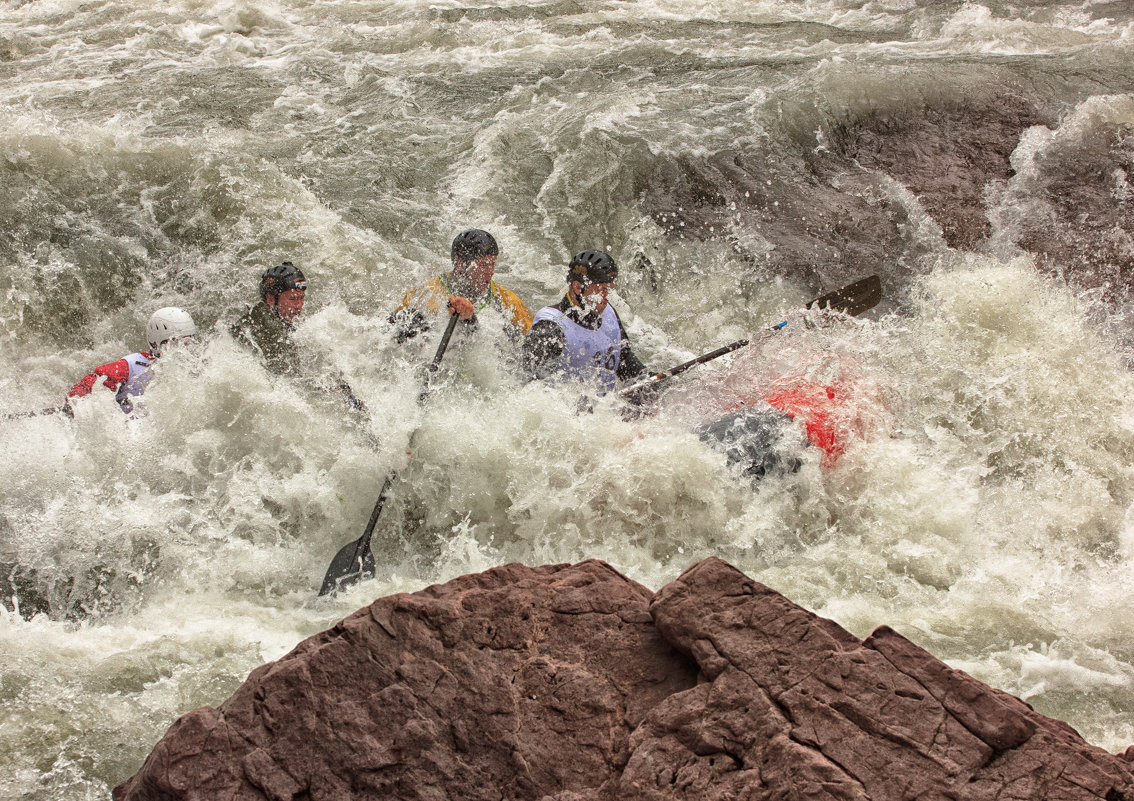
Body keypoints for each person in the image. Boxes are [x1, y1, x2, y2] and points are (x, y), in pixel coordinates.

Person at [230, 261, 365, 411]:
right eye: (293, 299)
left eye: (302, 298)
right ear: (270, 299)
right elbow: (288, 379)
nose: (299, 306)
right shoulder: (263, 323)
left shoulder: (281, 320)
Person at [521, 250, 652, 397]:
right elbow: (530, 389)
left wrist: (651, 382)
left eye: (609, 290)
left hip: (606, 410)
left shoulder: (608, 312)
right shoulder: (551, 326)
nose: (607, 297)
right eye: (602, 290)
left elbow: (624, 360)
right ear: (577, 287)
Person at [389, 229, 532, 344]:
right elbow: (392, 330)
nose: (490, 272)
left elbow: (532, 338)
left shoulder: (507, 300)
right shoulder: (427, 293)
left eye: (492, 263)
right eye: (483, 265)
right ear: (460, 264)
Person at [67, 307, 198, 414]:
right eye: (177, 342)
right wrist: (73, 405)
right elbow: (92, 383)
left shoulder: (192, 366)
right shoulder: (130, 365)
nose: (183, 348)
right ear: (156, 342)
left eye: (188, 341)